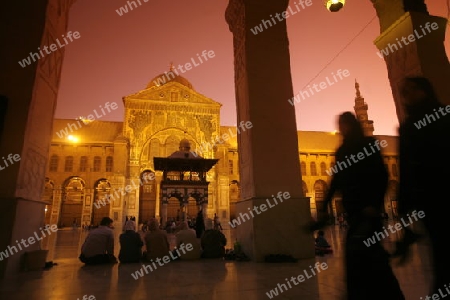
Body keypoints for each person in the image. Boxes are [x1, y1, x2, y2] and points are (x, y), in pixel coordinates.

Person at [314, 112, 404, 300]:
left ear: (352, 124)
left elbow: (382, 176)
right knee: (363, 258)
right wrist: (323, 208)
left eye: (344, 124)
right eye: (340, 124)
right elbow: (336, 180)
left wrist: (374, 204)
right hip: (354, 212)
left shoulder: (369, 145)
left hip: (368, 214)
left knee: (367, 258)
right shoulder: (343, 150)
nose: (342, 128)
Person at [394, 76, 450, 296]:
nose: (406, 95)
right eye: (404, 92)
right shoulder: (408, 126)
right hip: (431, 202)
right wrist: (403, 206)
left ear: (425, 90)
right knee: (442, 256)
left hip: (444, 192)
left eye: (411, 89)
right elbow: (406, 168)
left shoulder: (444, 116)